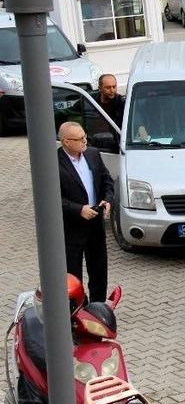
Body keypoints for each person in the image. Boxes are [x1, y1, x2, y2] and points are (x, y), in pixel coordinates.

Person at [57, 121, 114, 302]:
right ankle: (77, 309)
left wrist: (107, 200)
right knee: (73, 274)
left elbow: (107, 181)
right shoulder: (53, 163)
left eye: (85, 136)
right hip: (72, 229)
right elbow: (51, 199)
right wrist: (78, 209)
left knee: (98, 271)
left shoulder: (93, 154)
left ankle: (98, 308)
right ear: (66, 141)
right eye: (80, 139)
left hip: (95, 224)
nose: (85, 141)